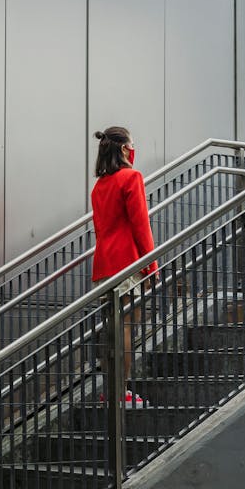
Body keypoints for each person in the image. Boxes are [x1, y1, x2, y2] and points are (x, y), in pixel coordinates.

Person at [91, 126, 157, 407]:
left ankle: (110, 392)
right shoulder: (132, 178)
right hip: (128, 263)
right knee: (128, 328)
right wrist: (152, 266)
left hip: (103, 265)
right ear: (123, 149)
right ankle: (122, 394)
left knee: (111, 330)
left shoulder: (99, 187)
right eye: (132, 145)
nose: (134, 149)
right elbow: (141, 226)